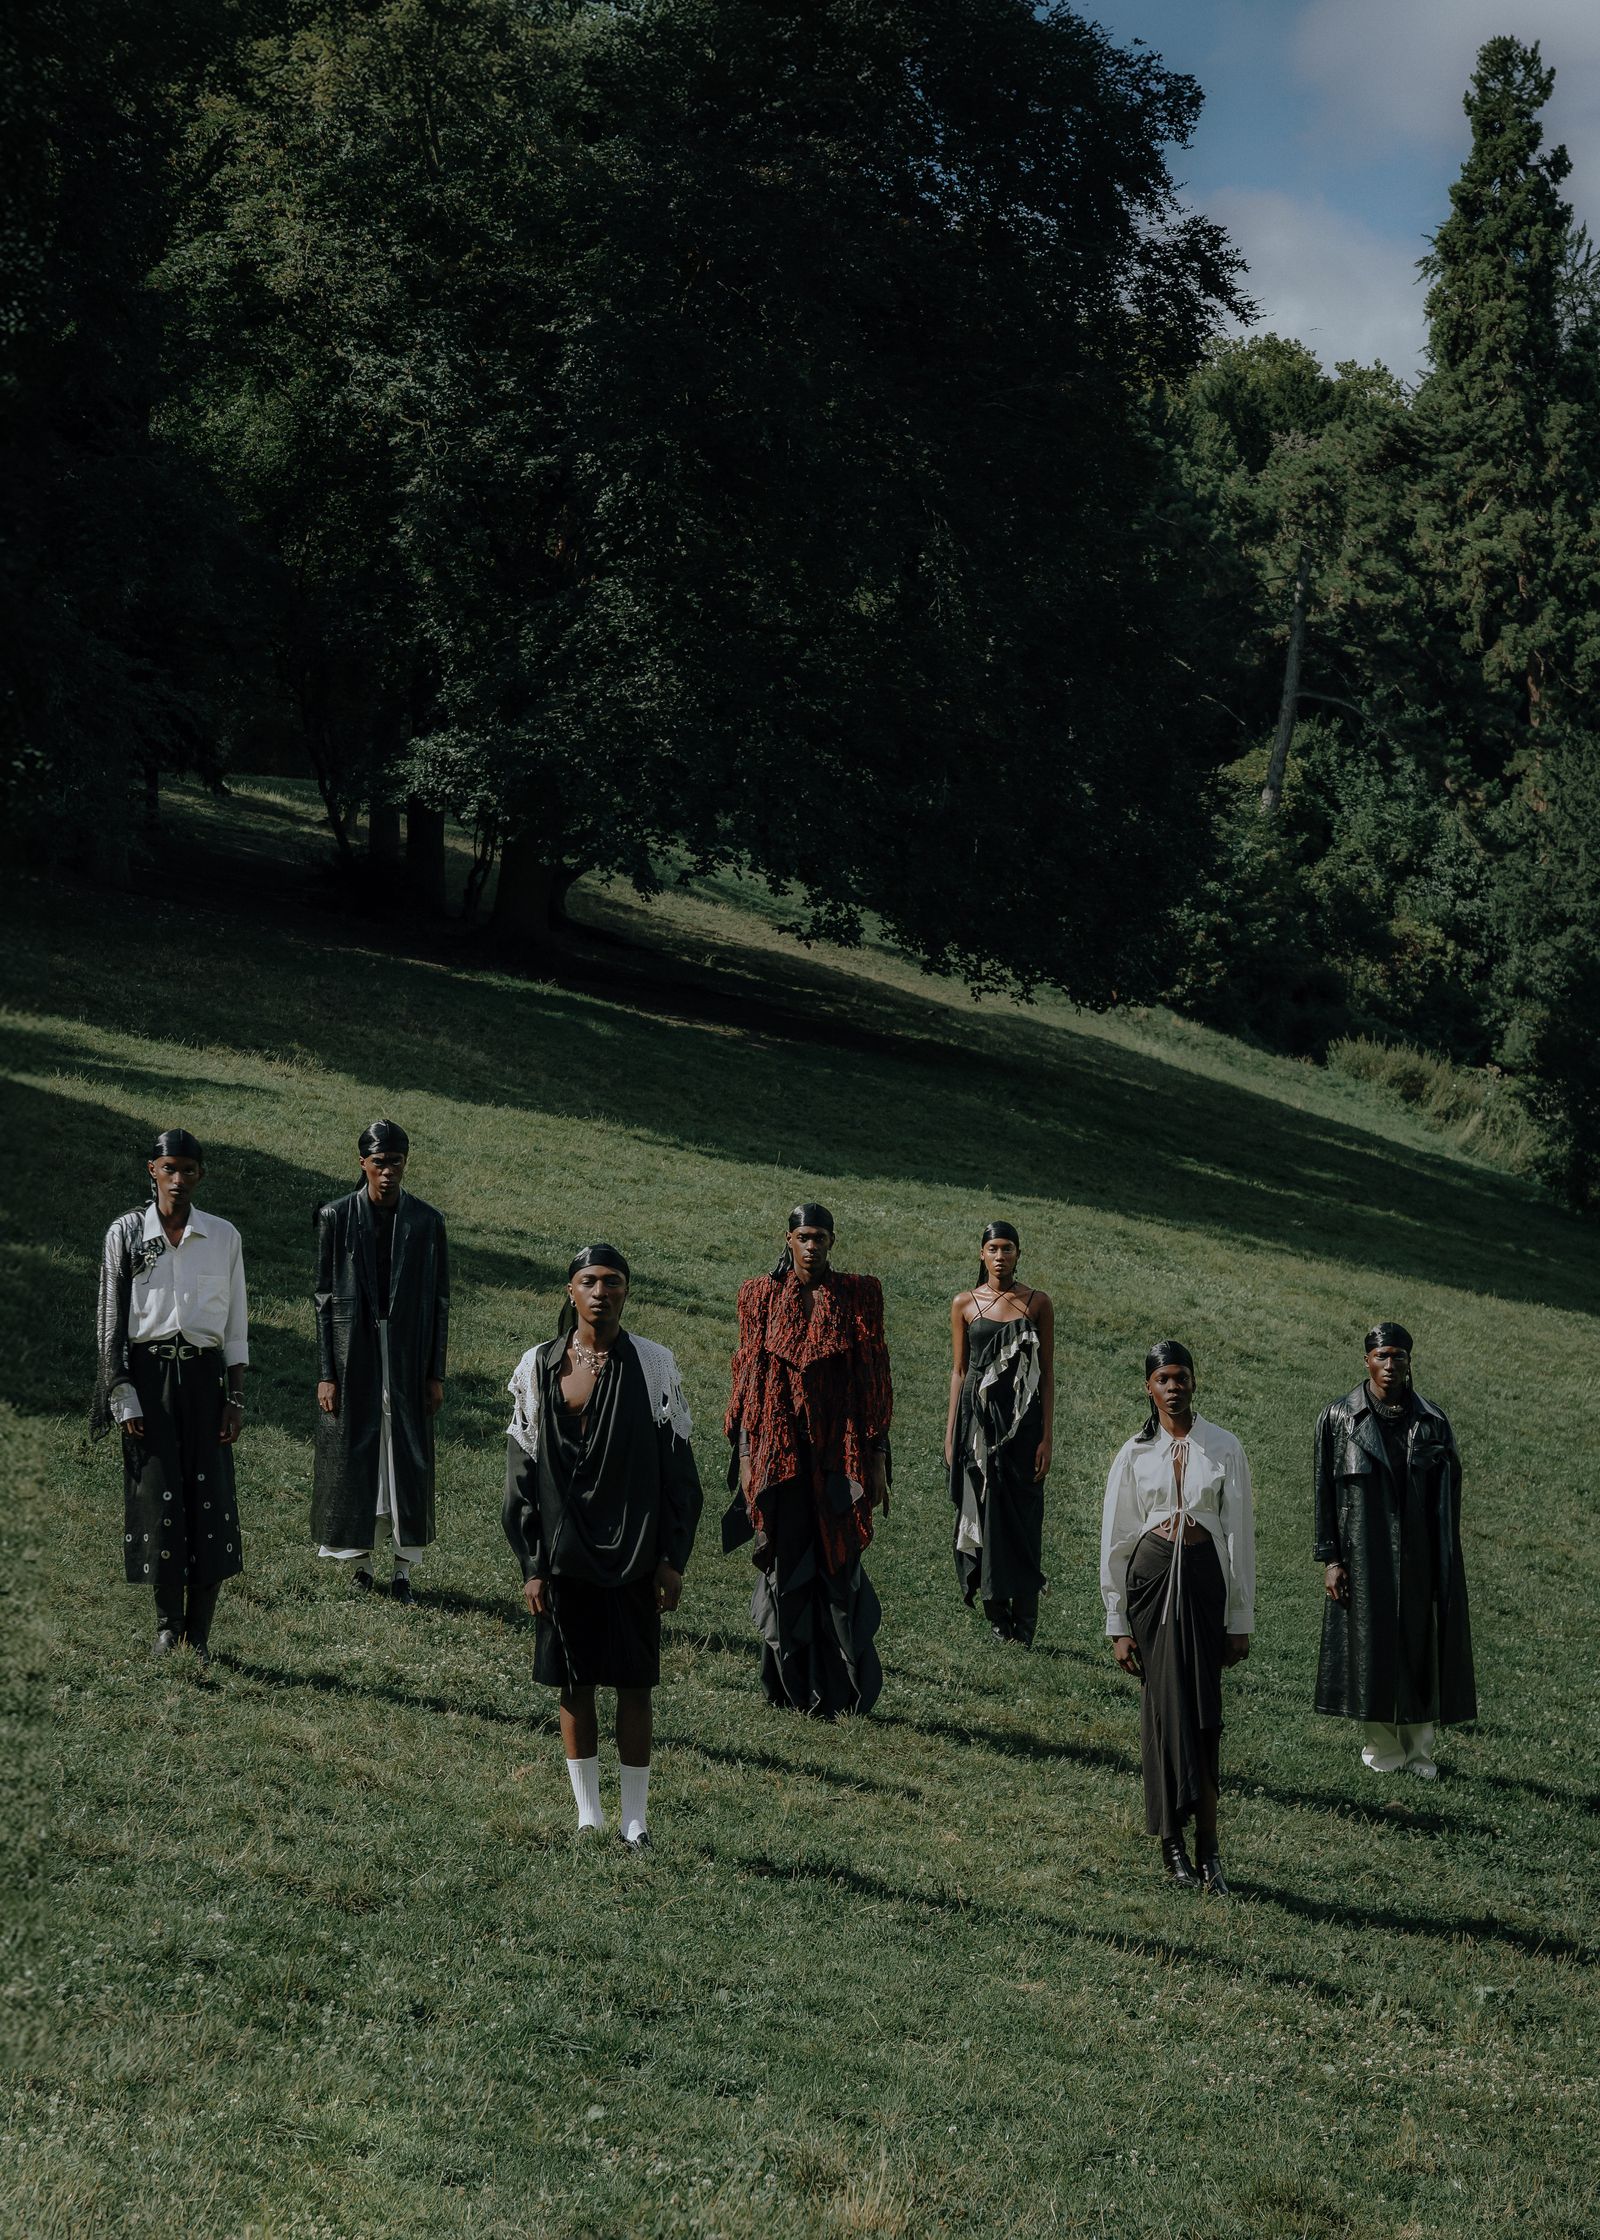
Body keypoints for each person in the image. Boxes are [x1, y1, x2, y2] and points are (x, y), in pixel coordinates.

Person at [503, 1246, 703, 1847]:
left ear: (626, 1292)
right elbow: (521, 1473)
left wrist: (672, 1557)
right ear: (570, 1291)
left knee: (635, 1683)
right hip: (565, 1557)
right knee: (574, 1680)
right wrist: (532, 1564)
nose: (601, 1292)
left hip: (636, 1553)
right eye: (589, 1281)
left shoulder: (654, 1366)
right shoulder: (538, 1367)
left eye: (612, 1282)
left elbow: (680, 1474)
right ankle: (588, 1813)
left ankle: (634, 1820)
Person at [724, 1203, 892, 1717]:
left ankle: (845, 1691)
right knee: (785, 1557)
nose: (811, 1245)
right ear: (788, 1239)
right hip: (780, 1450)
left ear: (832, 1241)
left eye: (819, 1236)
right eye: (802, 1236)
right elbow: (748, 1377)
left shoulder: (858, 1294)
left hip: (840, 1448)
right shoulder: (760, 1296)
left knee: (839, 1562)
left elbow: (874, 1375)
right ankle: (788, 1684)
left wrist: (879, 1454)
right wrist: (748, 1455)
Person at [90, 1129, 249, 1671]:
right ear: (152, 1172)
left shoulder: (224, 1237)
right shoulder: (127, 1233)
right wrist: (120, 1391)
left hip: (205, 1383)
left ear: (200, 1175)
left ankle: (200, 1632)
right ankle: (167, 1626)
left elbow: (236, 1325)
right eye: (169, 1169)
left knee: (209, 1495)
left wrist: (237, 1397)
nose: (178, 1180)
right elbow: (111, 1318)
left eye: (188, 1170)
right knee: (158, 1498)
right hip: (149, 1379)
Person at [1100, 1341, 1254, 1892]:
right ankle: (1172, 1845)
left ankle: (1209, 1848)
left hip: (1205, 1588)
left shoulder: (1224, 1447)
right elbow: (1116, 1541)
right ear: (1149, 1387)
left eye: (1181, 1376)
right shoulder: (1134, 1454)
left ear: (1194, 1382)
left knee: (1204, 1712)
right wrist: (1116, 1622)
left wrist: (1240, 1617)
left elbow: (1239, 1535)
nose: (1173, 1386)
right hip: (1152, 1587)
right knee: (1164, 1710)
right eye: (1163, 1378)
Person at [1314, 1322, 1475, 1780]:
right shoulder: (1338, 1418)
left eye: (1398, 1356)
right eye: (1382, 1356)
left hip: (1421, 1556)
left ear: (1409, 1361)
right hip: (1364, 1556)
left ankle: (1420, 1752)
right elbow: (1324, 1490)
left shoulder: (1433, 1421)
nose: (1390, 1366)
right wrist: (1331, 1559)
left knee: (1421, 1649)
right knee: (1371, 1648)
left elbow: (1450, 1497)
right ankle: (1382, 1748)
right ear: (1366, 1360)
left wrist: (1444, 1562)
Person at [312, 1120, 449, 1604]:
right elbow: (324, 1299)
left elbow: (439, 1300)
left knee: (406, 1456)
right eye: (378, 1163)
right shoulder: (336, 1216)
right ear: (362, 1164)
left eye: (395, 1162)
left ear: (404, 1164)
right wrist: (328, 1372)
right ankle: (361, 1564)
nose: (387, 1172)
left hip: (408, 1350)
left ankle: (404, 1570)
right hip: (356, 1353)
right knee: (356, 1453)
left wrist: (435, 1372)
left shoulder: (426, 1222)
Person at [945, 1220, 1054, 1644]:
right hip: (977, 1424)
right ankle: (997, 1618)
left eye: (1008, 1248)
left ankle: (1025, 1622)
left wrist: (1047, 1436)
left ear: (1018, 1253)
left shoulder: (1037, 1303)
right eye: (993, 1248)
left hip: (1024, 1424)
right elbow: (958, 1371)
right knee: (982, 1512)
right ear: (982, 1254)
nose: (1000, 1255)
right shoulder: (964, 1304)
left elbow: (1047, 1376)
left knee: (1025, 1517)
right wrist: (951, 1430)